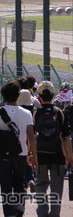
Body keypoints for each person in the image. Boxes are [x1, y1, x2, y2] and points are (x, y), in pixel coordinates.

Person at [0, 80, 38, 217]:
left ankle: (8, 214)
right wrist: (33, 156)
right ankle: (19, 209)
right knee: (20, 183)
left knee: (6, 188)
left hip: (4, 155)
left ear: (3, 95)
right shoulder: (26, 113)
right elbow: (31, 136)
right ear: (18, 95)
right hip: (22, 154)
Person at [33, 81, 73, 217]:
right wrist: (70, 156)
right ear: (53, 94)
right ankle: (54, 214)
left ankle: (42, 213)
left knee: (40, 185)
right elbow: (66, 138)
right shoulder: (60, 113)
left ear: (39, 95)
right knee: (57, 188)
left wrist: (31, 154)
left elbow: (32, 137)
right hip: (58, 155)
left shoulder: (36, 114)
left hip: (40, 155)